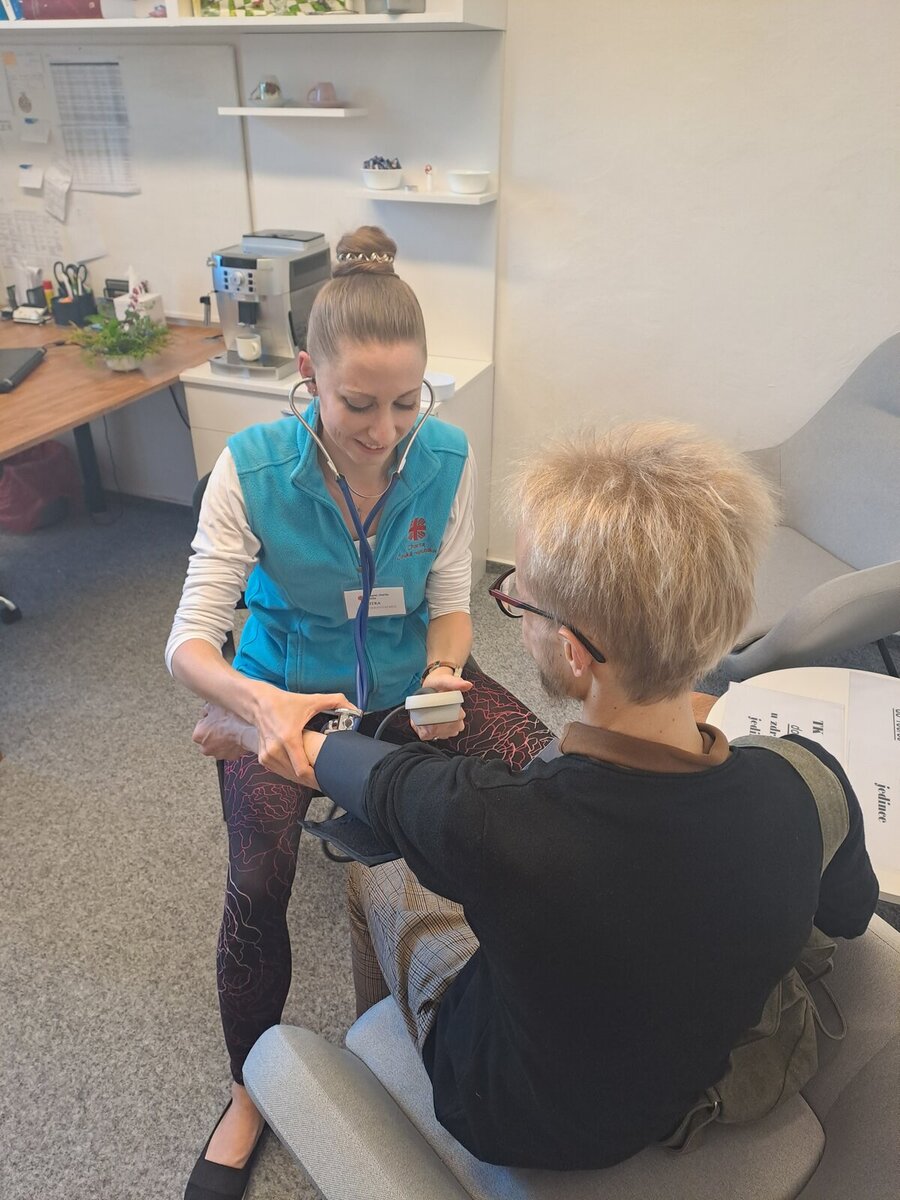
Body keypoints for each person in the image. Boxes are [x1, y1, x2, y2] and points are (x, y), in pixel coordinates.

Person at [289, 422, 879, 1170]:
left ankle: (380, 1057)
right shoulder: (808, 779)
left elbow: (369, 776)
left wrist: (281, 727)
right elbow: (847, 914)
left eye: (519, 602)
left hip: (513, 1116)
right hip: (694, 1070)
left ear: (573, 651)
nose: (515, 611)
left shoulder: (495, 825)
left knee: (373, 879)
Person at [166, 226, 553, 1199]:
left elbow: (452, 598)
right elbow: (189, 646)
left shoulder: (445, 455)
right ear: (309, 377)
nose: (384, 431)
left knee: (546, 777)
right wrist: (263, 707)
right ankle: (249, 1087)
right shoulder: (252, 468)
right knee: (258, 879)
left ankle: (518, 1006)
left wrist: (444, 672)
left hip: (406, 683)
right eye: (357, 404)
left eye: (405, 402)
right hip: (281, 689)